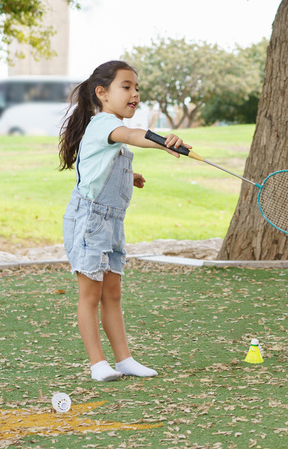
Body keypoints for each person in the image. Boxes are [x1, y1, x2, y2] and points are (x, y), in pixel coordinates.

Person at [58, 60, 191, 381]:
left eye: (137, 88)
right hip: (89, 219)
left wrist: (129, 175)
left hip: (111, 221)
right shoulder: (104, 123)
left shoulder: (108, 128)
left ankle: (124, 360)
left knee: (112, 294)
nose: (135, 94)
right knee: (90, 295)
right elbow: (131, 135)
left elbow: (100, 164)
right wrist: (163, 141)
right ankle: (97, 364)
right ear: (102, 93)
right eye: (126, 87)